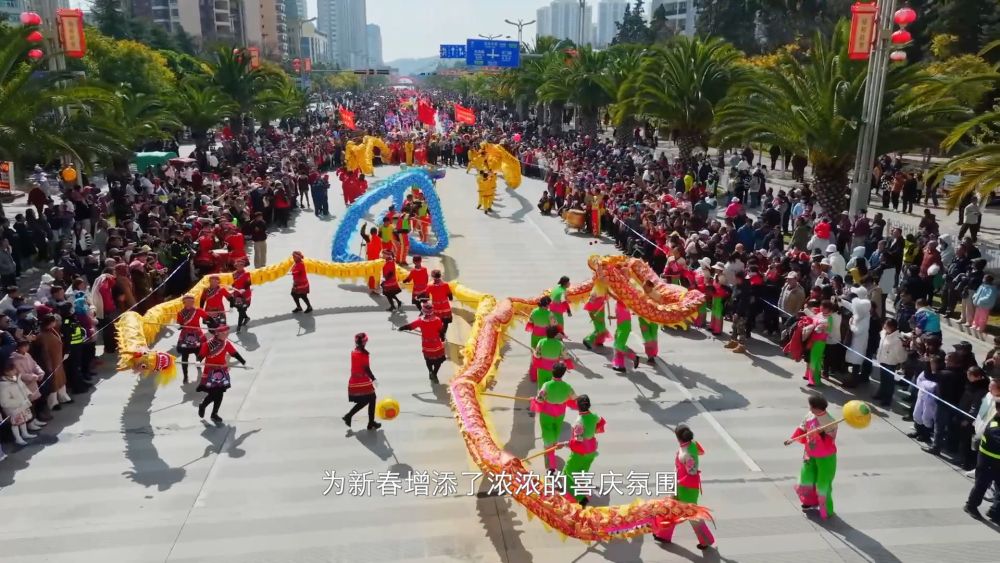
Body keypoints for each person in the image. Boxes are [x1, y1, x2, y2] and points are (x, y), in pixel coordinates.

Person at [653, 424, 715, 550]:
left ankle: (706, 540)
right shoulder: (692, 445)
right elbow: (701, 451)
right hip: (685, 486)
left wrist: (676, 483)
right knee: (671, 509)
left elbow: (691, 471)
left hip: (685, 488)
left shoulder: (686, 453)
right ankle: (664, 534)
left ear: (678, 437)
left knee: (692, 515)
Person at [785, 394, 838, 520]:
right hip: (810, 453)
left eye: (811, 406)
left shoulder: (830, 421)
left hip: (825, 456)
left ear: (817, 408)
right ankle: (808, 502)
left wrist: (822, 433)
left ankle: (826, 508)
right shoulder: (809, 415)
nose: (809, 408)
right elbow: (802, 429)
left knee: (823, 483)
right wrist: (791, 439)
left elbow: (831, 440)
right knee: (806, 478)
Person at [531, 363, 577, 472]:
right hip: (560, 412)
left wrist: (533, 399)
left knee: (547, 433)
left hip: (547, 412)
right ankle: (552, 446)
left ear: (552, 371)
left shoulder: (547, 385)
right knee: (556, 430)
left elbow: (539, 399)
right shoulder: (567, 386)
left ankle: (552, 463)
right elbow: (575, 398)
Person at [561, 394, 605, 506]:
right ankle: (578, 490)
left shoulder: (579, 422)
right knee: (581, 472)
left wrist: (564, 444)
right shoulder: (594, 416)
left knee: (569, 471)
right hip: (591, 449)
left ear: (577, 406)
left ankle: (581, 497)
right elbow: (601, 422)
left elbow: (578, 441)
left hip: (581, 452)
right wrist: (593, 430)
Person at [196, 325, 246, 422]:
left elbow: (234, 353)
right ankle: (203, 405)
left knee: (220, 393)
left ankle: (214, 413)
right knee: (214, 394)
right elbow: (201, 355)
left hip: (222, 370)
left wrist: (244, 362)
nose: (226, 335)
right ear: (217, 334)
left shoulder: (226, 344)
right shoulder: (207, 344)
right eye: (223, 333)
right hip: (210, 371)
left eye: (227, 333)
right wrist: (198, 361)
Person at [965, 392, 1000, 522]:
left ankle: (995, 511)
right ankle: (970, 506)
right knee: (981, 485)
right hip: (988, 463)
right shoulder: (994, 426)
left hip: (996, 462)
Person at [399, 302, 446, 383]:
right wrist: (442, 339)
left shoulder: (420, 321)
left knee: (428, 360)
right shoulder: (437, 320)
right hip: (436, 344)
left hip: (426, 345)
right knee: (438, 361)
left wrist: (401, 328)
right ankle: (434, 373)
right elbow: (441, 331)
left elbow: (410, 326)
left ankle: (430, 371)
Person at [343, 332, 381, 431]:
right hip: (362, 381)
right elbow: (366, 368)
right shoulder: (365, 354)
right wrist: (374, 379)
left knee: (367, 400)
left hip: (354, 380)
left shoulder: (353, 352)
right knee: (371, 398)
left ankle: (350, 416)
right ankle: (369, 422)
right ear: (365, 342)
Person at [0, 363, 39, 445]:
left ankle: (25, 433)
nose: (15, 371)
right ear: (6, 372)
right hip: (13, 408)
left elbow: (23, 387)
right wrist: (19, 402)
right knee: (15, 423)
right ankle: (18, 438)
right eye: (13, 370)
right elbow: (4, 401)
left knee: (23, 420)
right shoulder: (3, 385)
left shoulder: (17, 379)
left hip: (22, 405)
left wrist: (28, 393)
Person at [176, 294, 210, 384]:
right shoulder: (180, 313)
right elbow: (180, 325)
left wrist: (213, 324)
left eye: (192, 301)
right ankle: (185, 376)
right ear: (184, 303)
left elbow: (207, 318)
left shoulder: (198, 310)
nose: (192, 303)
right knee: (184, 357)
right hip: (185, 335)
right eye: (189, 301)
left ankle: (198, 363)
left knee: (200, 353)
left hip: (197, 334)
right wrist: (178, 326)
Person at [874, 318, 907, 407]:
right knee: (883, 379)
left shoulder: (897, 339)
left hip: (890, 362)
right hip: (883, 360)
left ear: (892, 327)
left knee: (889, 382)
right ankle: (880, 394)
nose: (884, 326)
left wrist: (900, 362)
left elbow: (899, 353)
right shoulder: (884, 333)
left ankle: (887, 399)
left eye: (886, 325)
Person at [612, 299, 640, 373]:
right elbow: (620, 314)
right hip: (620, 326)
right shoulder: (618, 302)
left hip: (624, 326)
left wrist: (607, 291)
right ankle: (620, 366)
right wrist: (612, 317)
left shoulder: (623, 300)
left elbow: (615, 296)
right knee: (617, 347)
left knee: (619, 346)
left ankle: (633, 357)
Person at [583, 277, 610, 349]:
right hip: (596, 313)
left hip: (601, 311)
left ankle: (598, 341)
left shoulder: (603, 289)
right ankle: (588, 339)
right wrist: (591, 314)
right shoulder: (595, 291)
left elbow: (606, 297)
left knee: (599, 328)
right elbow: (589, 303)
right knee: (600, 329)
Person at [427, 269, 453, 340]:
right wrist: (450, 298)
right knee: (445, 322)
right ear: (440, 276)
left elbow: (426, 296)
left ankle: (440, 334)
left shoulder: (430, 285)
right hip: (445, 306)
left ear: (432, 276)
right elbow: (450, 295)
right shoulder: (445, 285)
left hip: (436, 307)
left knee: (438, 322)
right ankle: (443, 334)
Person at [360, 225, 383, 293]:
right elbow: (381, 232)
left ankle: (371, 287)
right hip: (377, 259)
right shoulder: (379, 238)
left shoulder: (368, 238)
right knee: (377, 273)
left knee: (371, 273)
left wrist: (363, 226)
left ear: (370, 232)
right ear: (376, 232)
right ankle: (376, 288)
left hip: (369, 259)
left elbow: (362, 233)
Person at [231, 258, 252, 332]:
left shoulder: (247, 274)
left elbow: (249, 283)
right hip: (237, 295)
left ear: (243, 266)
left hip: (245, 295)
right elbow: (234, 283)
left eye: (241, 265)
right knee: (240, 309)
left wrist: (244, 289)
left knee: (241, 310)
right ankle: (246, 318)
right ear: (236, 266)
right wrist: (232, 287)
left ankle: (239, 327)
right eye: (238, 265)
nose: (239, 267)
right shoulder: (233, 274)